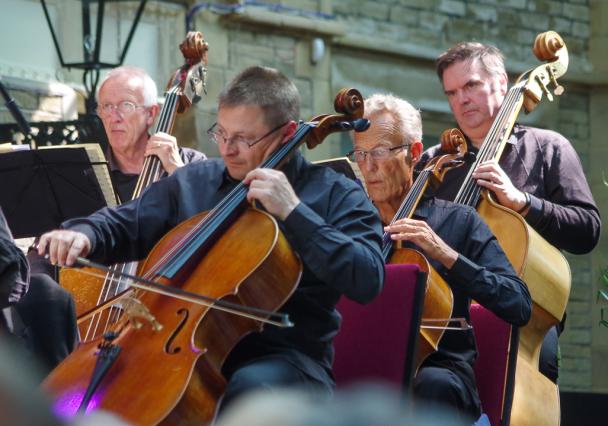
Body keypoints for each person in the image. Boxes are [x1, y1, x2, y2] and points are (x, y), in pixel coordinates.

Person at [37, 66, 385, 419]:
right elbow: (128, 222)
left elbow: (368, 276)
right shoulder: (195, 181)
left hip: (284, 360)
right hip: (173, 345)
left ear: (288, 134)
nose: (228, 150)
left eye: (244, 139)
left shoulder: (335, 194)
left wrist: (294, 212)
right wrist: (84, 233)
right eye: (221, 133)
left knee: (247, 392)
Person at [418, 41, 601, 383]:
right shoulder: (435, 163)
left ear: (501, 83)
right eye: (452, 92)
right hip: (440, 318)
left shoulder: (547, 148)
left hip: (522, 322)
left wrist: (523, 203)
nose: (462, 99)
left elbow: (587, 230)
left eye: (471, 85)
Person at [349, 93, 531, 421]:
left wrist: (446, 254)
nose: (368, 167)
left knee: (430, 384)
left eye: (379, 152)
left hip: (438, 372)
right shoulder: (351, 224)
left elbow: (518, 303)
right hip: (363, 365)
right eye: (360, 154)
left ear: (414, 153)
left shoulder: (459, 221)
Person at [96, 65, 206, 202]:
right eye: (106, 106)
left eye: (126, 105)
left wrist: (177, 170)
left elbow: (208, 214)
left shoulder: (191, 162)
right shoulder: (88, 174)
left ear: (151, 114)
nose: (114, 118)